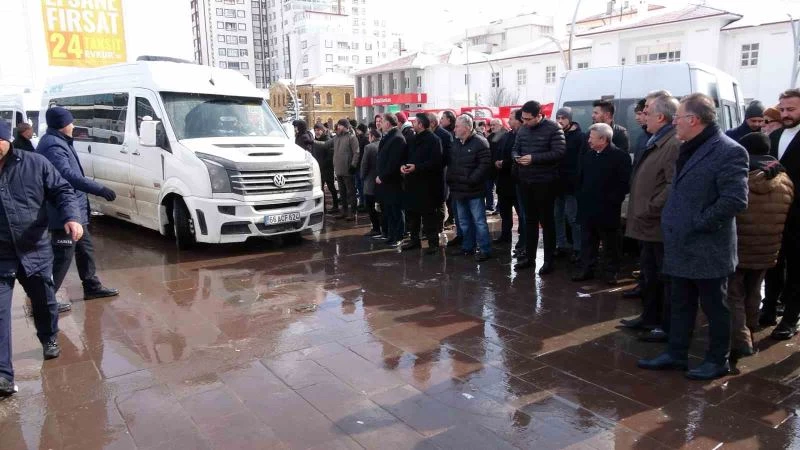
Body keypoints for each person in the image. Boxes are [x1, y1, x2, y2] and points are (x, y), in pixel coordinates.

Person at [638, 93, 748, 381]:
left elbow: (735, 200)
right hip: (680, 244)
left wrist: (698, 224)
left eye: (678, 117)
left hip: (708, 246)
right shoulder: (686, 146)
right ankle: (676, 353)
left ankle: (718, 360)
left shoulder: (729, 151)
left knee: (714, 307)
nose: (674, 122)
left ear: (694, 120)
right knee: (680, 303)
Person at [0, 121, 83, 396]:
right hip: (1, 255)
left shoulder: (35, 164)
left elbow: (62, 190)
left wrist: (72, 217)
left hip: (34, 248)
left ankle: (49, 337)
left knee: (44, 301)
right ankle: (3, 375)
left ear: (7, 140)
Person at [36, 107, 119, 309]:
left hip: (76, 211)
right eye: (70, 122)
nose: (73, 125)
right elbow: (68, 176)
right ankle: (44, 301)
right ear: (61, 125)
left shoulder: (60, 141)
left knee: (85, 250)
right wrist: (99, 189)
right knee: (63, 256)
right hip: (64, 212)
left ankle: (91, 287)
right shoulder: (53, 146)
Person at [620, 93, 681, 343]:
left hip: (657, 223)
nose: (642, 116)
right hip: (647, 222)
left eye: (647, 112)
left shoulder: (673, 143)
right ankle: (649, 317)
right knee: (649, 273)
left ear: (661, 117)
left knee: (662, 277)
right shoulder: (655, 139)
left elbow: (672, 184)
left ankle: (663, 325)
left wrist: (651, 207)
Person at [729, 132, 793, 356]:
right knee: (754, 290)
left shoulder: (740, 177)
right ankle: (751, 327)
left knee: (733, 293)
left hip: (738, 246)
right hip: (768, 248)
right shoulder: (785, 180)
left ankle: (741, 340)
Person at [571, 123, 631, 284]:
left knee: (611, 242)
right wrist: (580, 196)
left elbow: (624, 183)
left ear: (603, 139)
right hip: (587, 207)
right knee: (588, 241)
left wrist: (612, 200)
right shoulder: (588, 155)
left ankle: (611, 272)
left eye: (592, 137)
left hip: (608, 208)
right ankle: (587, 269)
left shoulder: (620, 157)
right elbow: (580, 178)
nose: (588, 141)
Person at [512, 101, 566, 274]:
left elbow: (559, 152)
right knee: (529, 220)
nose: (525, 122)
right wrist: (517, 157)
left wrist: (534, 158)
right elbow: (515, 148)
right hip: (525, 180)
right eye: (523, 119)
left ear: (539, 116)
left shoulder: (553, 128)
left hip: (545, 182)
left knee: (547, 221)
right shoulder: (523, 129)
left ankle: (549, 260)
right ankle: (529, 258)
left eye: (528, 119)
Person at [764, 89, 800, 339]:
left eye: (791, 109)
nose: (785, 114)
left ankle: (790, 318)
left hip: (798, 215)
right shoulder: (774, 136)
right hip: (773, 214)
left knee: (796, 268)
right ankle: (768, 309)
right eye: (783, 109)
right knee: (772, 264)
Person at [446, 114, 492, 262]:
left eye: (457, 126)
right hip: (459, 189)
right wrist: (450, 179)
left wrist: (471, 179)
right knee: (464, 221)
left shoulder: (480, 142)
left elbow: (485, 165)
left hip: (474, 189)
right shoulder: (456, 143)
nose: (454, 129)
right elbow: (452, 164)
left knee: (479, 221)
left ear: (466, 128)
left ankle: (485, 249)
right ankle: (468, 247)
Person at [401, 113, 444, 254]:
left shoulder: (434, 140)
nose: (413, 125)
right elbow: (405, 156)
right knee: (413, 214)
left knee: (429, 216)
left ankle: (433, 243)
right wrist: (403, 166)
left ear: (420, 124)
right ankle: (414, 240)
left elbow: (436, 163)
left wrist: (417, 167)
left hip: (427, 185)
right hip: (412, 183)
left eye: (415, 122)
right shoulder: (412, 139)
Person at [554, 107, 584, 262]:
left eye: (563, 118)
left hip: (571, 186)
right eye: (558, 118)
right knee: (557, 217)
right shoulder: (556, 134)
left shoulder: (579, 137)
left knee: (573, 218)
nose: (560, 121)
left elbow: (581, 162)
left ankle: (578, 248)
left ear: (570, 119)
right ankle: (561, 245)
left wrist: (577, 181)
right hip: (557, 184)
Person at [313, 119, 360, 220]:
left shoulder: (352, 137)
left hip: (348, 170)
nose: (338, 127)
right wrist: (313, 141)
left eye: (340, 125)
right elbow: (325, 144)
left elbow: (356, 152)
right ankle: (344, 212)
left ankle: (353, 213)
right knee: (342, 193)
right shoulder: (336, 138)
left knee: (351, 193)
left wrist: (353, 165)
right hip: (338, 170)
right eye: (338, 125)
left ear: (346, 127)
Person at [376, 113, 407, 247]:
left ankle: (398, 236)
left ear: (388, 123)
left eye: (382, 121)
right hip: (387, 182)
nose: (380, 124)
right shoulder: (388, 136)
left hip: (394, 181)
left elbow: (393, 162)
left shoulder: (397, 138)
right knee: (389, 209)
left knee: (396, 210)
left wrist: (382, 176)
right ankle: (391, 235)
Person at [494, 110, 523, 246]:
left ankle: (522, 239)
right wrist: (496, 162)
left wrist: (504, 163)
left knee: (521, 213)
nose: (509, 121)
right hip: (503, 180)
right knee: (505, 212)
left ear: (519, 120)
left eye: (511, 118)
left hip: (517, 180)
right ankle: (505, 236)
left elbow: (519, 156)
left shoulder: (523, 135)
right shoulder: (506, 135)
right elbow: (497, 150)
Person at [360, 129, 382, 237]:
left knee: (370, 205)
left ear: (372, 137)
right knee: (381, 206)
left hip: (370, 180)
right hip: (381, 180)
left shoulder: (369, 147)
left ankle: (376, 228)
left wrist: (362, 176)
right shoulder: (383, 144)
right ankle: (383, 227)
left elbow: (364, 164)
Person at [313, 123, 338, 213]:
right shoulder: (315, 140)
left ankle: (336, 206)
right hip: (318, 169)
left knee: (331, 188)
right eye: (315, 130)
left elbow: (330, 156)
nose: (317, 132)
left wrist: (323, 165)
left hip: (327, 169)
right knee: (320, 189)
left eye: (318, 130)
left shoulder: (328, 140)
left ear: (323, 130)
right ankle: (323, 208)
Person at [485, 119, 505, 214]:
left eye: (494, 125)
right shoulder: (490, 137)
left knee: (500, 189)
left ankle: (499, 207)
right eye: (491, 125)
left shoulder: (505, 135)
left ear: (500, 125)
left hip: (500, 167)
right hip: (490, 167)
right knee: (488, 188)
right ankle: (490, 206)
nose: (492, 127)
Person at [355, 123, 369, 211]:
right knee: (359, 185)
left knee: (362, 185)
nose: (357, 131)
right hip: (358, 166)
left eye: (358, 130)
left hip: (361, 166)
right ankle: (361, 202)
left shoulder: (365, 140)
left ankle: (364, 204)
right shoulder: (358, 138)